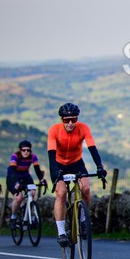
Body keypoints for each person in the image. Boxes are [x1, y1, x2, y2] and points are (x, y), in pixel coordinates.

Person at [48, 103, 107, 247]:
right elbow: (51, 154)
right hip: (58, 164)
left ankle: (82, 220)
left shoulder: (83, 128)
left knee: (86, 188)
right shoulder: (54, 130)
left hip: (76, 163)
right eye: (66, 120)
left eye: (73, 120)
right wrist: (56, 173)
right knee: (61, 193)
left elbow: (92, 148)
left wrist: (99, 166)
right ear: (61, 119)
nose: (70, 123)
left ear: (77, 119)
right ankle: (61, 232)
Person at [7, 140, 47, 226]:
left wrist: (42, 179)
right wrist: (16, 183)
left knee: (33, 194)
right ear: (20, 150)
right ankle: (13, 217)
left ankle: (31, 216)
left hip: (25, 177)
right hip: (13, 177)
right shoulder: (15, 156)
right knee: (19, 198)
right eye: (24, 150)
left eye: (28, 150)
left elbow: (37, 169)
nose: (26, 152)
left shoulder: (33, 157)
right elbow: (13, 171)